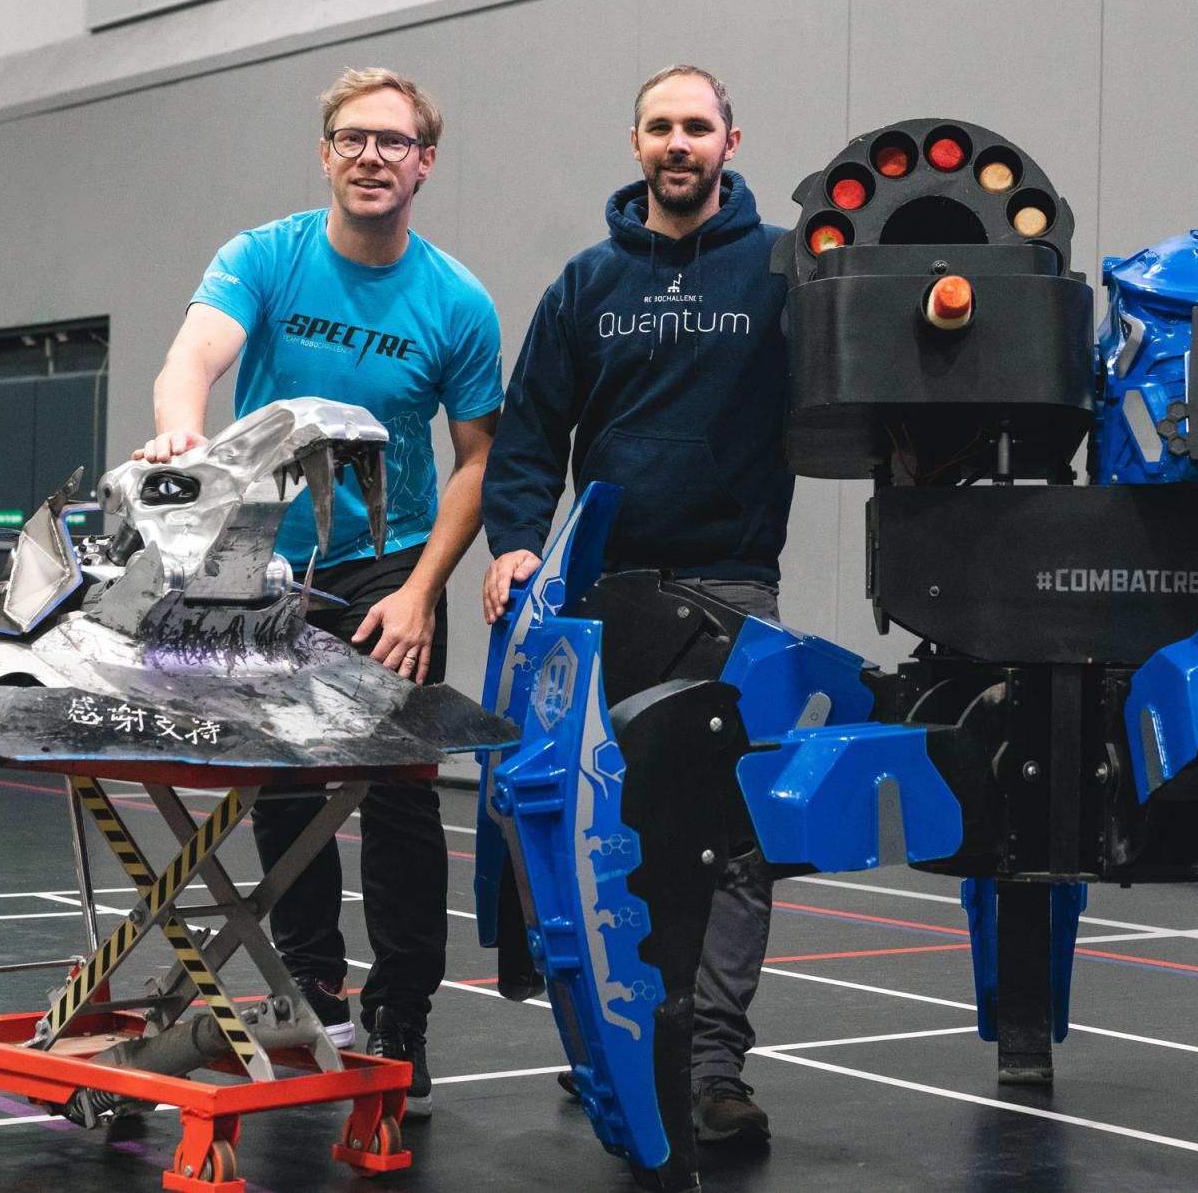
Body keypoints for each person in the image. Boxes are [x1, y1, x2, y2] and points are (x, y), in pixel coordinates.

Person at [134, 67, 503, 1121]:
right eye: (353, 138)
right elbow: (192, 356)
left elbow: (477, 460)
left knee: (392, 786)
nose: (371, 156)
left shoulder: (455, 300)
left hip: (387, 559)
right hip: (268, 558)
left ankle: (400, 1014)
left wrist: (425, 589)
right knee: (285, 782)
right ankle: (311, 991)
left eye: (394, 142)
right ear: (327, 153)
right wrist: (179, 427)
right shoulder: (266, 256)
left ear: (423, 162)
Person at [480, 63, 793, 1145]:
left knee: (730, 837)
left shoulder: (779, 270)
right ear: (634, 143)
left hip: (731, 587)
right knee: (598, 832)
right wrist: (516, 547)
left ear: (729, 141)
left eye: (695, 127)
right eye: (659, 126)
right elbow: (526, 438)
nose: (677, 142)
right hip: (598, 595)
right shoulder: (583, 284)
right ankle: (612, 1043)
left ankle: (708, 1066)